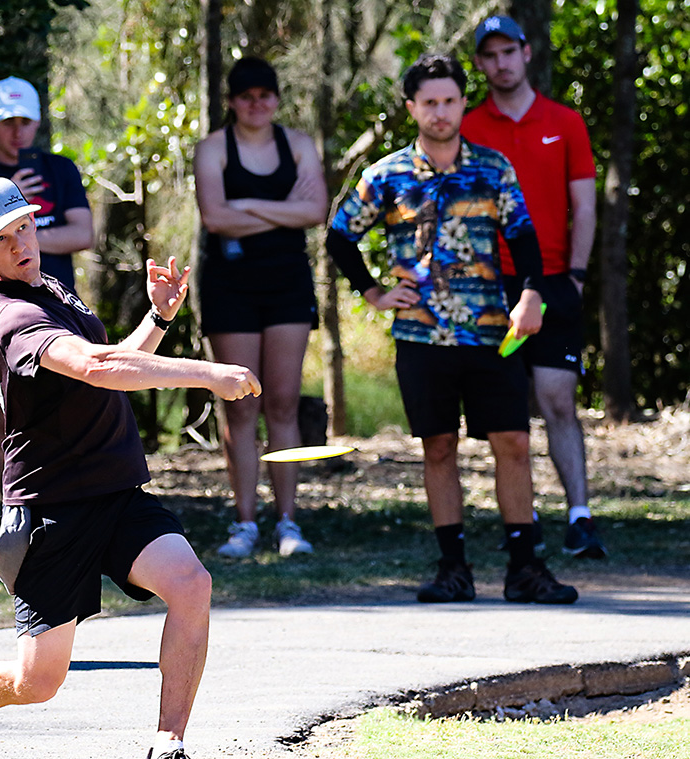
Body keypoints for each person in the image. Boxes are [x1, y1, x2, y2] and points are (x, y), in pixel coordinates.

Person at [0, 177, 261, 759]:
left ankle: (167, 750)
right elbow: (99, 367)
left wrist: (158, 318)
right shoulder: (11, 316)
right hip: (51, 513)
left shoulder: (50, 290)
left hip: (117, 492)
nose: (21, 243)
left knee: (191, 584)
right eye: (3, 238)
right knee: (38, 681)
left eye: (24, 226)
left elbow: (111, 364)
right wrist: (206, 373)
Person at [326, 53, 578, 605]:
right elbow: (340, 236)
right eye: (429, 102)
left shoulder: (492, 167)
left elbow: (525, 238)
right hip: (421, 337)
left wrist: (532, 294)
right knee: (437, 447)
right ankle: (453, 568)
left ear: (464, 102)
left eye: (449, 100)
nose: (440, 112)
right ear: (412, 107)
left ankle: (525, 566)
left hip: (491, 331)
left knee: (512, 441)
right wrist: (373, 291)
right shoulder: (387, 174)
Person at [462, 15, 605, 559]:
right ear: (480, 63)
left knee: (557, 400)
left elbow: (585, 205)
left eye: (508, 52)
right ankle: (523, 522)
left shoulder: (565, 122)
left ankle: (580, 517)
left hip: (553, 281)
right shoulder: (470, 127)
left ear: (525, 53)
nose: (500, 63)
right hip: (490, 286)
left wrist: (576, 274)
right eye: (489, 55)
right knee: (506, 411)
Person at [193, 57, 328, 559]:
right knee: (241, 404)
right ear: (232, 100)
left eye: (265, 94)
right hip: (230, 286)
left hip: (287, 285)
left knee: (284, 403)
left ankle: (289, 521)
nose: (256, 103)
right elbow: (214, 217)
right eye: (246, 95)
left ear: (276, 98)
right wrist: (280, 211)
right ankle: (245, 522)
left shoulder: (297, 145)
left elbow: (315, 211)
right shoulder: (212, 149)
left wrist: (245, 205)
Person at [0, 76, 94, 481]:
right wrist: (18, 223)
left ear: (37, 123)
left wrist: (18, 231)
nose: (18, 131)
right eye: (7, 120)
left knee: (70, 394)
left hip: (59, 305)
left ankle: (69, 484)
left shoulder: (60, 170)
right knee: (6, 407)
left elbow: (82, 234)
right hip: (7, 311)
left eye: (26, 121)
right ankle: (15, 495)